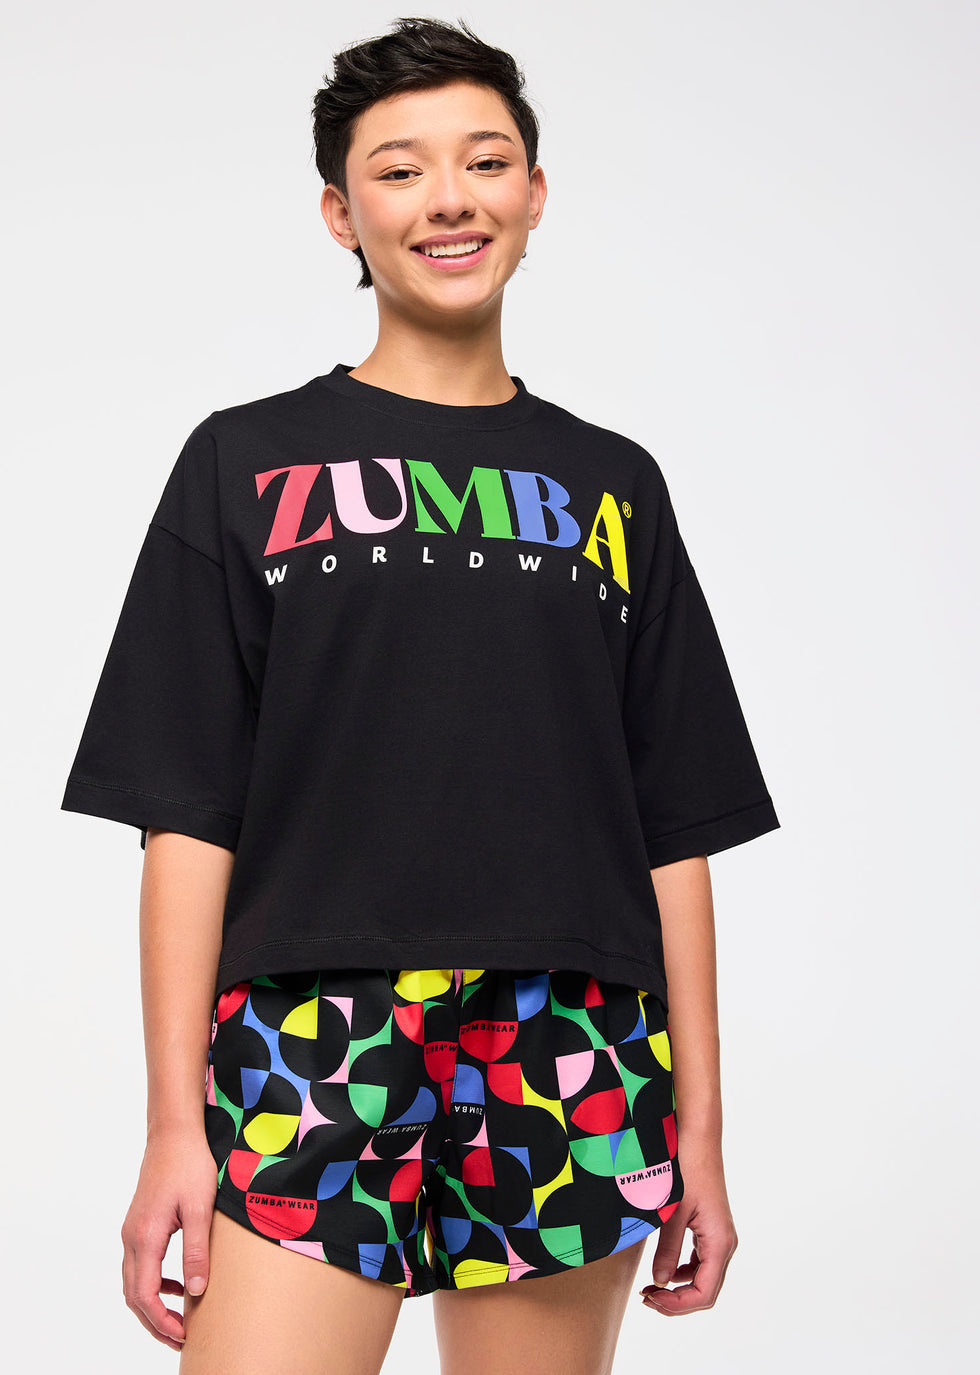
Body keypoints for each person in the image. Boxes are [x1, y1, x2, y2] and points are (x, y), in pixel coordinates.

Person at [60, 16, 780, 1374]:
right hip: (307, 1032)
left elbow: (675, 826)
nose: (450, 197)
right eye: (400, 170)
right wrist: (172, 1126)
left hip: (574, 1035)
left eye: (485, 161)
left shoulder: (614, 486)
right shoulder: (243, 464)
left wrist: (702, 1128)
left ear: (534, 194)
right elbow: (185, 813)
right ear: (342, 213)